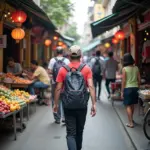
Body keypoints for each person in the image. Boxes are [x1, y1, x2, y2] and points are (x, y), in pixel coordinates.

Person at [53, 45, 96, 150]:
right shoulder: (86, 69)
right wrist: (94, 104)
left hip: (68, 105)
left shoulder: (63, 70)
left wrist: (56, 104)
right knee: (79, 132)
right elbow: (90, 86)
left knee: (71, 133)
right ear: (80, 56)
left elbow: (58, 88)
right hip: (82, 104)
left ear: (69, 56)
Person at [48, 46, 70, 124]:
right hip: (65, 83)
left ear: (56, 53)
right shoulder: (67, 60)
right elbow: (69, 71)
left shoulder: (52, 60)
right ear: (63, 53)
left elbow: (50, 71)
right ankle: (64, 118)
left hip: (55, 83)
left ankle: (57, 118)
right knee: (65, 99)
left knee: (55, 100)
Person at [121, 53, 140, 128]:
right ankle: (131, 119)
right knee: (132, 105)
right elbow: (139, 80)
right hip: (135, 88)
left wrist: (122, 91)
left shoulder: (124, 69)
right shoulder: (136, 68)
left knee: (127, 105)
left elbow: (124, 81)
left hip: (127, 88)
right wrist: (138, 87)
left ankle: (131, 123)